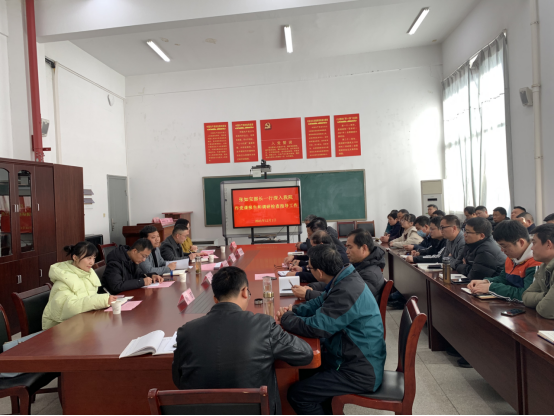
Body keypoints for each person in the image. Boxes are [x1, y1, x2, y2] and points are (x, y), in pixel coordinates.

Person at [172, 266, 313, 415]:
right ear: (245, 292)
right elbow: (305, 354)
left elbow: (178, 380)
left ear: (215, 299)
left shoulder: (186, 332)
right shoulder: (263, 325)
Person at [277, 245, 386, 416]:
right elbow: (320, 301)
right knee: (301, 371)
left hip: (359, 371)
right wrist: (294, 311)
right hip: (350, 357)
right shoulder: (345, 277)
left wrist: (287, 319)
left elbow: (317, 328)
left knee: (298, 395)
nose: (309, 270)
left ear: (320, 273)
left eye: (310, 268)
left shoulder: (347, 289)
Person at [293, 229, 386, 302]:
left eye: (350, 247)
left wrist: (309, 294)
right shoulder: (358, 264)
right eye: (346, 247)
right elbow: (335, 281)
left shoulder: (369, 274)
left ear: (364, 248)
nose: (347, 251)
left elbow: (343, 298)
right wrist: (312, 287)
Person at [42, 242, 118, 330]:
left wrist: (104, 300)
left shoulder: (87, 273)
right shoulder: (64, 279)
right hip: (59, 329)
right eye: (89, 258)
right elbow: (69, 308)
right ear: (75, 258)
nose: (92, 262)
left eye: (94, 258)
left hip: (80, 323)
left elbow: (88, 299)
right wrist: (101, 300)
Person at [468, 221, 541, 301]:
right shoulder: (511, 257)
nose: (502, 250)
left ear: (521, 242)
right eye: (500, 246)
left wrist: (491, 287)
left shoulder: (536, 262)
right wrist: (486, 282)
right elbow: (504, 278)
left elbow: (526, 295)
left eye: (505, 246)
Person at [523, 224, 554, 319]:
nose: (531, 248)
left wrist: (544, 300)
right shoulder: (544, 266)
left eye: (534, 243)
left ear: (548, 244)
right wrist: (545, 296)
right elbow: (526, 297)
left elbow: (545, 310)